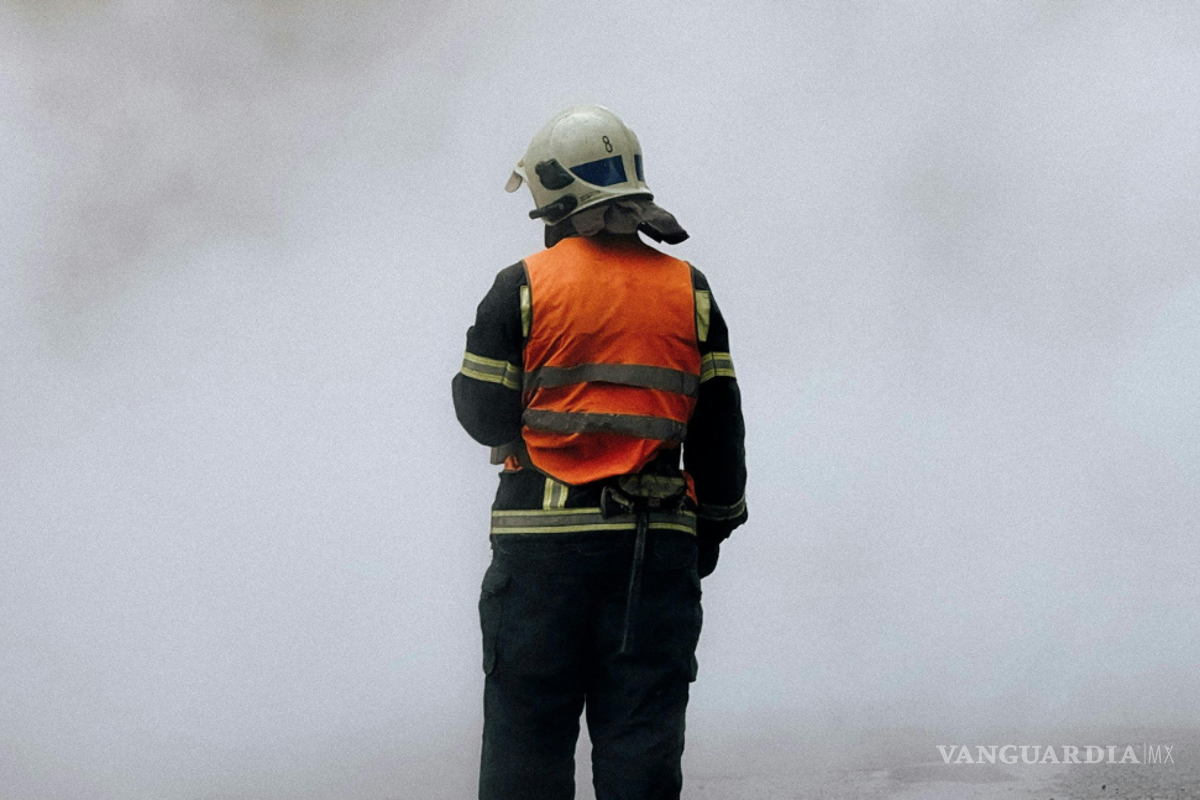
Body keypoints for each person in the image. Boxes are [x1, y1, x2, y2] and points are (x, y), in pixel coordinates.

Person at [452, 105, 747, 800]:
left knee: (527, 742)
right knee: (640, 743)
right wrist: (713, 525)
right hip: (654, 554)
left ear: (555, 195)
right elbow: (720, 430)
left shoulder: (521, 286)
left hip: (540, 562)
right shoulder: (689, 289)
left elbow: (482, 413)